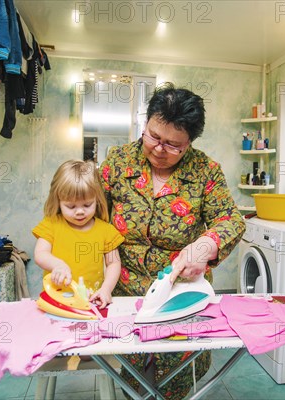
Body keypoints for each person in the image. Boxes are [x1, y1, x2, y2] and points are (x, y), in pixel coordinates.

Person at [100, 82, 246, 398]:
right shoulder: (118, 161)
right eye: (153, 136)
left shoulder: (206, 171)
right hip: (126, 289)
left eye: (174, 145)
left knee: (177, 378)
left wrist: (205, 246)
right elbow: (93, 212)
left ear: (190, 142)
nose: (159, 149)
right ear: (146, 122)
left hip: (182, 290)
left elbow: (230, 219)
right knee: (135, 374)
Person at [33, 160, 124, 308]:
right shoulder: (51, 224)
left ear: (97, 200)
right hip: (57, 299)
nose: (80, 211)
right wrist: (58, 265)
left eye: (87, 205)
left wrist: (106, 290)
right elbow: (40, 254)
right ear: (58, 201)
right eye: (70, 206)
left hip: (91, 301)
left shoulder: (106, 230)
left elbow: (113, 262)